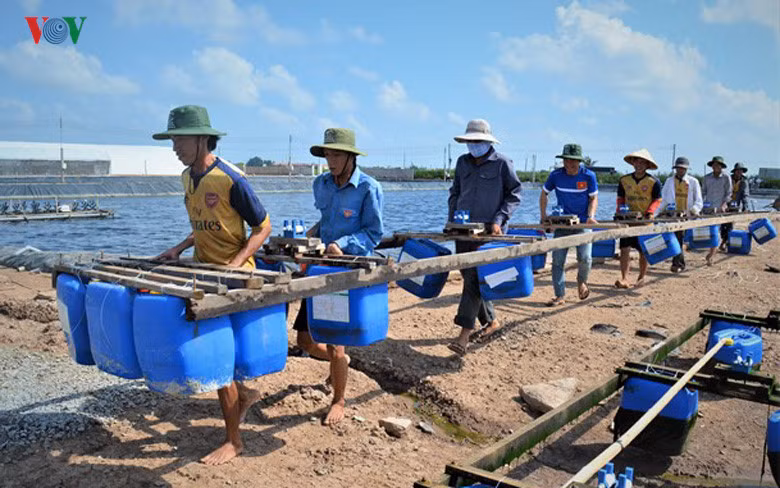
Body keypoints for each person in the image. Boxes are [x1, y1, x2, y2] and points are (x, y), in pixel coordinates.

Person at [153, 105, 272, 465]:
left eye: (181, 139)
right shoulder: (186, 178)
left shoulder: (231, 179)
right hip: (202, 270)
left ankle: (234, 441)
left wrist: (236, 264)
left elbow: (263, 226)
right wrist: (178, 248)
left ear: (203, 138)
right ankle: (246, 396)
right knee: (224, 356)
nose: (175, 146)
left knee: (220, 361)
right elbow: (208, 223)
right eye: (172, 139)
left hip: (233, 276)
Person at [292, 128, 383, 425]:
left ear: (350, 157)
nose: (330, 160)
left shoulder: (369, 188)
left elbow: (373, 233)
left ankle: (339, 400)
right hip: (319, 267)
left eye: (336, 154)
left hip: (344, 271)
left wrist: (342, 245)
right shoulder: (321, 184)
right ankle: (339, 365)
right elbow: (325, 221)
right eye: (327, 154)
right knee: (305, 340)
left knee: (335, 340)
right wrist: (305, 238)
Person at [446, 119, 522, 355]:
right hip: (464, 230)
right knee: (469, 275)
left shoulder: (502, 164)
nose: (474, 146)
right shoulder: (462, 162)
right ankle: (491, 322)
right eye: (470, 142)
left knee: (473, 279)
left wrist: (499, 220)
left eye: (478, 141)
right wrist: (451, 221)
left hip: (490, 233)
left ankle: (463, 336)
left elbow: (515, 194)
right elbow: (455, 193)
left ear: (487, 142)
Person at [539, 143, 598, 306]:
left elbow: (593, 198)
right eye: (566, 160)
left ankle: (582, 281)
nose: (569, 165)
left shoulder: (589, 176)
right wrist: (544, 216)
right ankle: (559, 295)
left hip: (582, 223)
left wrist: (591, 216)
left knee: (585, 258)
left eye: (573, 161)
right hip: (562, 223)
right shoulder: (556, 175)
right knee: (558, 260)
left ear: (579, 162)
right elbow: (544, 193)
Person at [615, 149, 662, 289]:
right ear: (633, 163)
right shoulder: (624, 180)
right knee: (624, 249)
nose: (639, 164)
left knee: (643, 250)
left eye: (642, 162)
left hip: (644, 220)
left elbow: (657, 199)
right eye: (637, 161)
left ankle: (641, 276)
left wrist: (650, 211)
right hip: (628, 220)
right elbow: (620, 198)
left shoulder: (653, 182)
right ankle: (624, 278)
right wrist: (619, 211)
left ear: (647, 165)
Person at [658, 157, 703, 273]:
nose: (680, 170)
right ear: (676, 169)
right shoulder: (669, 181)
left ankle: (677, 263)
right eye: (678, 168)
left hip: (686, 215)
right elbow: (663, 199)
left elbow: (699, 201)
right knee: (675, 237)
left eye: (683, 169)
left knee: (679, 238)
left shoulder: (693, 182)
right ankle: (679, 263)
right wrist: (655, 213)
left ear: (686, 169)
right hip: (672, 214)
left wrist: (694, 210)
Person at [702, 156, 732, 263]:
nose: (716, 167)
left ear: (721, 166)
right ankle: (710, 250)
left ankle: (711, 255)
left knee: (715, 230)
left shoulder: (726, 177)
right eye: (714, 165)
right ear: (712, 166)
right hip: (707, 208)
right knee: (708, 230)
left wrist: (724, 205)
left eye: (718, 165)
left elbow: (728, 194)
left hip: (720, 209)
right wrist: (702, 204)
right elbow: (703, 192)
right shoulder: (706, 178)